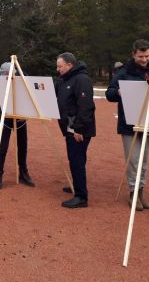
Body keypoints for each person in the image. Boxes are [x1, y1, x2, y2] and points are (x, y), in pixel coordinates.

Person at [106, 39, 149, 211]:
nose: (144, 59)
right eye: (141, 56)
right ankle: (133, 193)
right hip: (129, 123)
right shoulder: (123, 72)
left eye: (147, 56)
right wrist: (120, 92)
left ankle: (141, 191)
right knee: (133, 159)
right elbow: (109, 93)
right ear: (133, 54)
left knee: (144, 159)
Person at [55, 52, 96, 208]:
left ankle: (81, 196)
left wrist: (78, 128)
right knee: (75, 158)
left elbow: (85, 106)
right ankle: (77, 185)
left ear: (69, 65)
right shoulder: (64, 80)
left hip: (78, 129)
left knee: (77, 160)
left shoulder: (82, 80)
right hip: (69, 127)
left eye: (60, 66)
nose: (57, 69)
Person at [0, 62, 35, 189]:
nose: (5, 76)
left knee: (23, 144)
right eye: (3, 74)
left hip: (20, 115)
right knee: (3, 146)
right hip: (5, 114)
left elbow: (29, 85)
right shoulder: (2, 82)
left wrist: (19, 72)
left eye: (7, 74)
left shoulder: (22, 79)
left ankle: (23, 172)